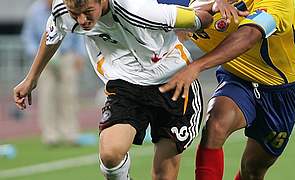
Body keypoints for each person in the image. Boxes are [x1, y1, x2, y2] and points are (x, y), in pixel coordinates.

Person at [13, 0, 238, 179]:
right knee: (110, 155)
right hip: (125, 85)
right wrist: (31, 78)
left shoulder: (139, 9)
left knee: (163, 174)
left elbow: (200, 19)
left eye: (88, 11)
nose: (81, 21)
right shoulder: (63, 7)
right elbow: (53, 33)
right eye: (75, 14)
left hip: (173, 82)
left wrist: (214, 6)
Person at [160, 0, 295, 179]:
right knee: (215, 125)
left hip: (279, 90)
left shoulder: (279, 2)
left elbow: (249, 34)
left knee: (253, 170)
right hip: (237, 78)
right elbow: (174, 25)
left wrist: (197, 66)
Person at [21, 0, 89, 147]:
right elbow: (28, 36)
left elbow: (79, 30)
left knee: (69, 96)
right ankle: (50, 135)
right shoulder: (34, 11)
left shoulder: (68, 5)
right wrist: (38, 56)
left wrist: (79, 54)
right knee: (47, 96)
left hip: (66, 56)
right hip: (45, 59)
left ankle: (70, 134)